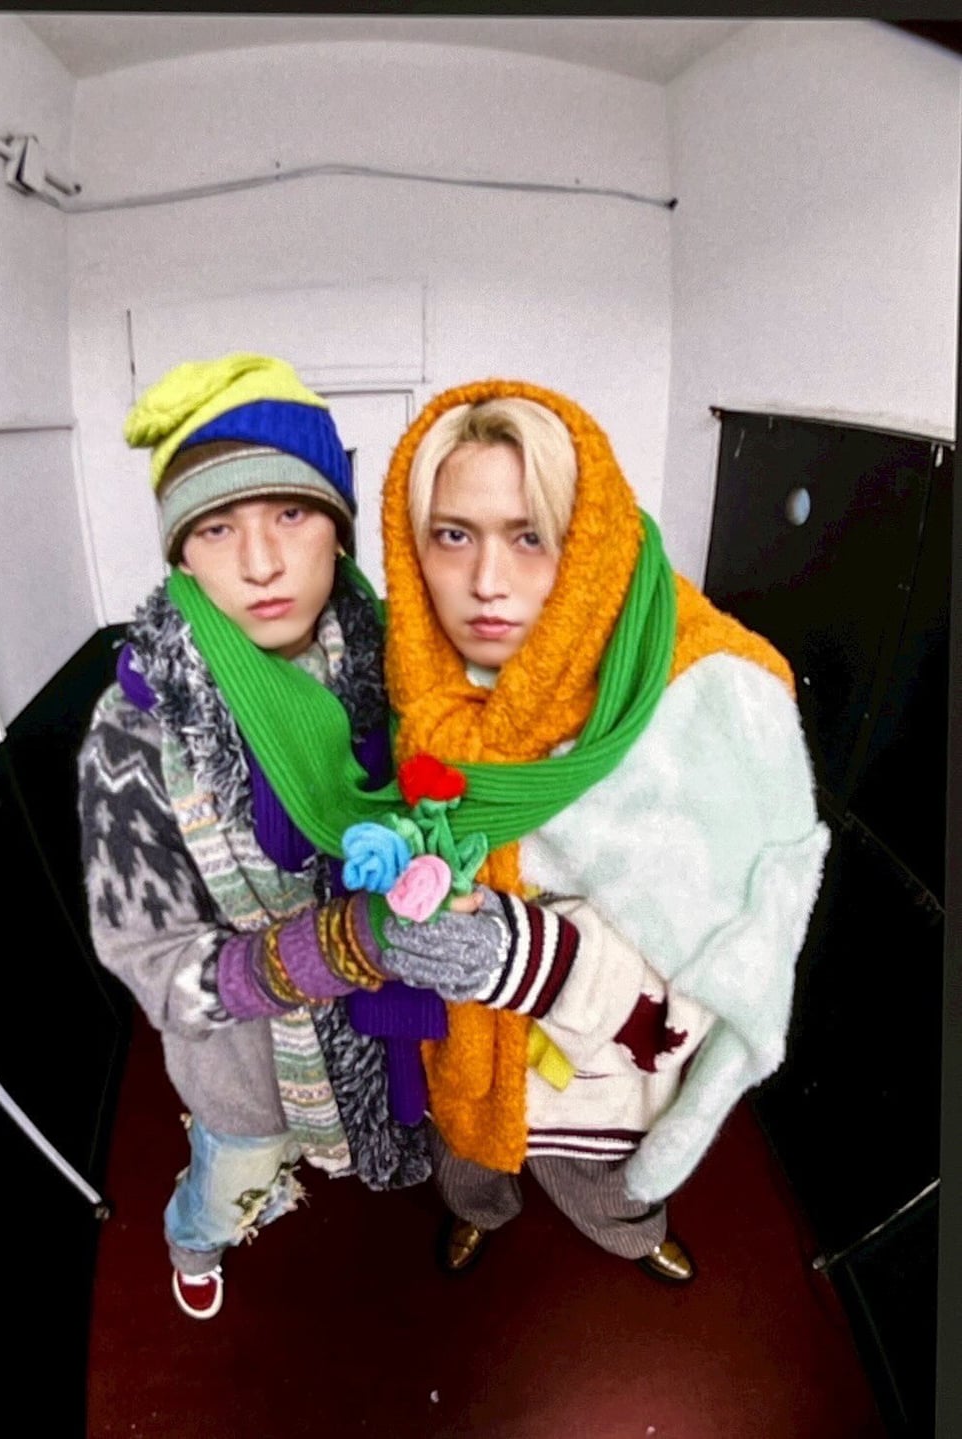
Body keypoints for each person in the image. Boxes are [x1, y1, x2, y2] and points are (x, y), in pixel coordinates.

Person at [368, 379, 830, 1282]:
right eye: (453, 535)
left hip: (602, 1075)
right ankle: (479, 1210)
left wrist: (523, 956)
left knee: (606, 1179)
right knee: (467, 1158)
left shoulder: (703, 700)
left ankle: (630, 1229)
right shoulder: (416, 691)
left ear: (586, 539)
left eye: (529, 535)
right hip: (464, 1052)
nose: (488, 583)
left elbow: (728, 963)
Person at [77, 353, 496, 1319]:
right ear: (182, 555)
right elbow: (150, 962)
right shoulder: (134, 729)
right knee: (236, 1177)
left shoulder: (406, 671)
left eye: (292, 514)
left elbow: (464, 818)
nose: (261, 562)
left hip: (388, 1040)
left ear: (338, 529)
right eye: (217, 527)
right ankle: (192, 1241)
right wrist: (322, 950)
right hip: (247, 1075)